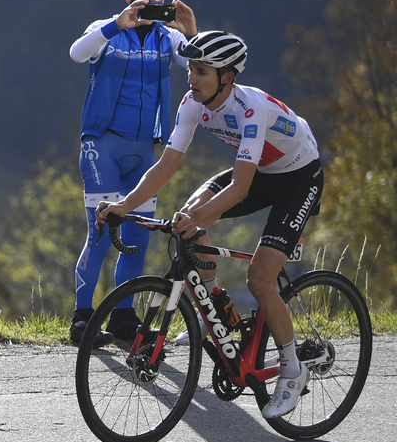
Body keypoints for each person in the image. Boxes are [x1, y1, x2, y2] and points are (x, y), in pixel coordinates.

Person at [97, 31, 323, 420]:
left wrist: (197, 218)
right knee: (188, 219)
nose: (191, 78)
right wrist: (124, 205)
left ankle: (292, 367)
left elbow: (240, 188)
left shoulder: (251, 109)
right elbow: (165, 167)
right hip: (261, 171)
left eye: (201, 72)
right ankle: (212, 310)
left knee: (260, 279)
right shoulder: (193, 103)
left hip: (298, 177)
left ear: (227, 78)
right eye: (190, 69)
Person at [68, 0, 198, 346]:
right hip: (102, 146)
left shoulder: (167, 38)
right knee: (100, 234)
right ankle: (82, 318)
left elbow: (203, 66)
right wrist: (116, 25)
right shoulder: (105, 29)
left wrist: (192, 34)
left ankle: (123, 317)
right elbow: (77, 53)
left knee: (138, 239)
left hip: (144, 150)